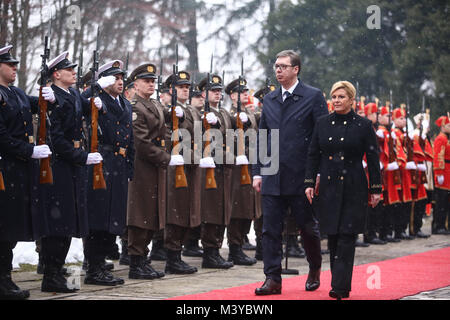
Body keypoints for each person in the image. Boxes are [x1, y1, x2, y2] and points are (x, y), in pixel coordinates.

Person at [253, 50, 326, 295]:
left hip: (301, 175)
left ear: (296, 69)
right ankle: (272, 278)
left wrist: (317, 173)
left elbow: (321, 138)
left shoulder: (313, 96)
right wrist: (258, 172)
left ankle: (314, 267)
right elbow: (263, 138)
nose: (278, 70)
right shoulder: (271, 100)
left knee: (307, 227)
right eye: (276, 66)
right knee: (270, 229)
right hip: (273, 174)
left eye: (284, 66)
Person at [304, 81, 382, 299]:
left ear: (351, 100)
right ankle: (339, 282)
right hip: (329, 186)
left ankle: (339, 286)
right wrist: (309, 182)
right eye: (334, 97)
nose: (336, 101)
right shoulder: (322, 123)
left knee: (348, 235)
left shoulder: (364, 125)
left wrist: (376, 188)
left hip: (354, 186)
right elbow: (313, 155)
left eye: (341, 97)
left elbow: (373, 158)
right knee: (334, 235)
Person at [36, 51, 106, 293]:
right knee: (58, 224)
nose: (74, 73)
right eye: (69, 70)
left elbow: (79, 111)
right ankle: (51, 274)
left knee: (67, 223)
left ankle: (55, 271)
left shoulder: (72, 93)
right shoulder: (52, 97)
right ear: (56, 74)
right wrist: (82, 156)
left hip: (72, 167)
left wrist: (92, 104)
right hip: (60, 166)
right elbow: (56, 139)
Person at [0, 45, 54, 299]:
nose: (15, 68)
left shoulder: (17, 93)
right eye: (9, 64)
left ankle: (5, 278)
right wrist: (29, 150)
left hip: (18, 172)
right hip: (4, 169)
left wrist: (49, 97)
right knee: (3, 228)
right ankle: (2, 280)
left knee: (9, 229)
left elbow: (40, 106)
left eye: (15, 64)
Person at [126, 63, 183, 280]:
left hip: (154, 167)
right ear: (136, 84)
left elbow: (166, 122)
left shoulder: (154, 104)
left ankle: (143, 260)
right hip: (142, 168)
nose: (151, 84)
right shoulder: (135, 106)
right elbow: (141, 143)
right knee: (140, 215)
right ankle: (135, 262)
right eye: (146, 81)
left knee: (152, 214)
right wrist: (167, 158)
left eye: (153, 81)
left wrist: (178, 114)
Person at [81, 60, 134, 286]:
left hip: (119, 164)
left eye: (122, 78)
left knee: (114, 217)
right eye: (115, 78)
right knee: (98, 217)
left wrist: (129, 166)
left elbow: (129, 137)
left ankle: (101, 265)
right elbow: (78, 104)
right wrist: (94, 88)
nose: (120, 82)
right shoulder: (95, 99)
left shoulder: (125, 103)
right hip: (101, 162)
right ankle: (94, 268)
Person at [163, 70, 201, 274]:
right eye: (180, 87)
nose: (185, 90)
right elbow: (167, 135)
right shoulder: (168, 109)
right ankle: (172, 256)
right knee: (175, 212)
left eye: (187, 87)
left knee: (187, 211)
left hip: (191, 165)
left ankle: (177, 254)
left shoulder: (191, 110)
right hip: (176, 164)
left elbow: (199, 134)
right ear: (172, 90)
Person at [197, 74, 233, 269]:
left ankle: (216, 249)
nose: (218, 94)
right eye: (213, 91)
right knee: (210, 211)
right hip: (208, 167)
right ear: (204, 93)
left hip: (223, 167)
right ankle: (209, 252)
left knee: (222, 210)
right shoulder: (199, 113)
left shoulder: (224, 113)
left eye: (220, 91)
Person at [224, 77, 258, 266]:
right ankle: (235, 248)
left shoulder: (248, 114)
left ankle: (240, 244)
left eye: (246, 91)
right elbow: (228, 140)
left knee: (248, 207)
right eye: (241, 91)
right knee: (238, 207)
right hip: (237, 165)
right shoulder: (230, 115)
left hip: (251, 163)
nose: (246, 94)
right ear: (232, 95)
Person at [432, 115, 450, 234]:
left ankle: (444, 224)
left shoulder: (446, 138)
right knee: (441, 201)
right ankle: (439, 225)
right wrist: (439, 173)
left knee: (446, 201)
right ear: (443, 126)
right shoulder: (441, 139)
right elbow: (438, 156)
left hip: (448, 171)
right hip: (443, 172)